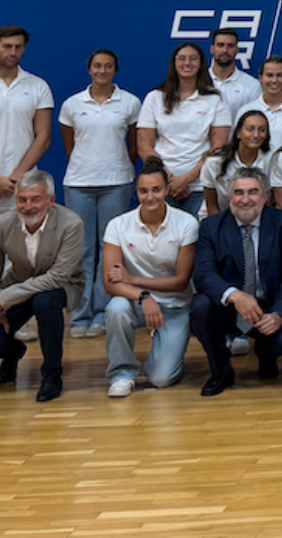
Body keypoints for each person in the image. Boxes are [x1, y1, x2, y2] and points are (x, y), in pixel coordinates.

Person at [0, 26, 55, 334]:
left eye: (18, 47)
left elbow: (43, 137)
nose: (12, 52)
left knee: (17, 259)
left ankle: (14, 321)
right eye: (7, 46)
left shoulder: (38, 86)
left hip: (21, 190)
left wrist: (17, 178)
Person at [190, 167, 282, 396]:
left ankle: (266, 353)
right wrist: (235, 295)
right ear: (230, 197)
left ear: (265, 196)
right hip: (231, 307)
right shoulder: (211, 227)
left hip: (268, 306)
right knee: (200, 306)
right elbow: (203, 273)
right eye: (238, 193)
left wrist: (279, 314)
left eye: (253, 192)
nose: (245, 199)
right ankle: (221, 371)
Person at [0, 170, 82, 402]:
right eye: (22, 200)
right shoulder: (1, 224)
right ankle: (14, 353)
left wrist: (4, 298)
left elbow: (57, 277)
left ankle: (52, 375)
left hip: (60, 287)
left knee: (46, 300)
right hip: (19, 286)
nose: (28, 206)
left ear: (51, 201)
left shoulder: (71, 224)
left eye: (36, 199)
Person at [59, 48, 140, 339]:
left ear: (114, 70)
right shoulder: (72, 104)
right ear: (89, 69)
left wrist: (116, 167)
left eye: (107, 66)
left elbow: (133, 146)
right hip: (79, 183)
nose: (102, 71)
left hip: (116, 183)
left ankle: (103, 314)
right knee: (82, 252)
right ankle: (80, 316)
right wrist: (88, 166)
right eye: (97, 66)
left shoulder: (130, 102)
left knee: (110, 251)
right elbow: (70, 146)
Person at [101, 158, 196, 398]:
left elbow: (180, 281)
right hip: (137, 301)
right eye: (143, 191)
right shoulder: (117, 225)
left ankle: (162, 356)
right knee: (117, 308)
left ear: (166, 190)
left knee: (161, 379)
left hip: (175, 304)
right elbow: (110, 282)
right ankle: (122, 373)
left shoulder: (187, 224)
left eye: (156, 190)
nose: (150, 196)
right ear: (137, 192)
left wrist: (132, 279)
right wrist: (143, 296)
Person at [137, 42, 232, 216]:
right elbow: (144, 145)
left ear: (201, 64)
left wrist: (186, 180)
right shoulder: (155, 97)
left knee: (198, 239)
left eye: (193, 59)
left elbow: (217, 148)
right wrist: (168, 179)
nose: (187, 63)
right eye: (182, 59)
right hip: (162, 186)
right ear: (174, 63)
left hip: (200, 187)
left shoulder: (215, 99)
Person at [201, 110, 273, 216]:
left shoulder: (272, 160)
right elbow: (212, 206)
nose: (256, 135)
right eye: (250, 129)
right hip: (221, 218)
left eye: (262, 130)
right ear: (239, 133)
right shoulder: (215, 163)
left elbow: (270, 202)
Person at [237, 56, 282, 150]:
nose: (274, 81)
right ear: (260, 78)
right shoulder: (246, 110)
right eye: (269, 75)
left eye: (279, 75)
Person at [206, 27, 260, 115]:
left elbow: (254, 121)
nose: (225, 50)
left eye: (230, 46)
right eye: (220, 45)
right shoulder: (196, 81)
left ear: (237, 50)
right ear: (212, 49)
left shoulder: (252, 85)